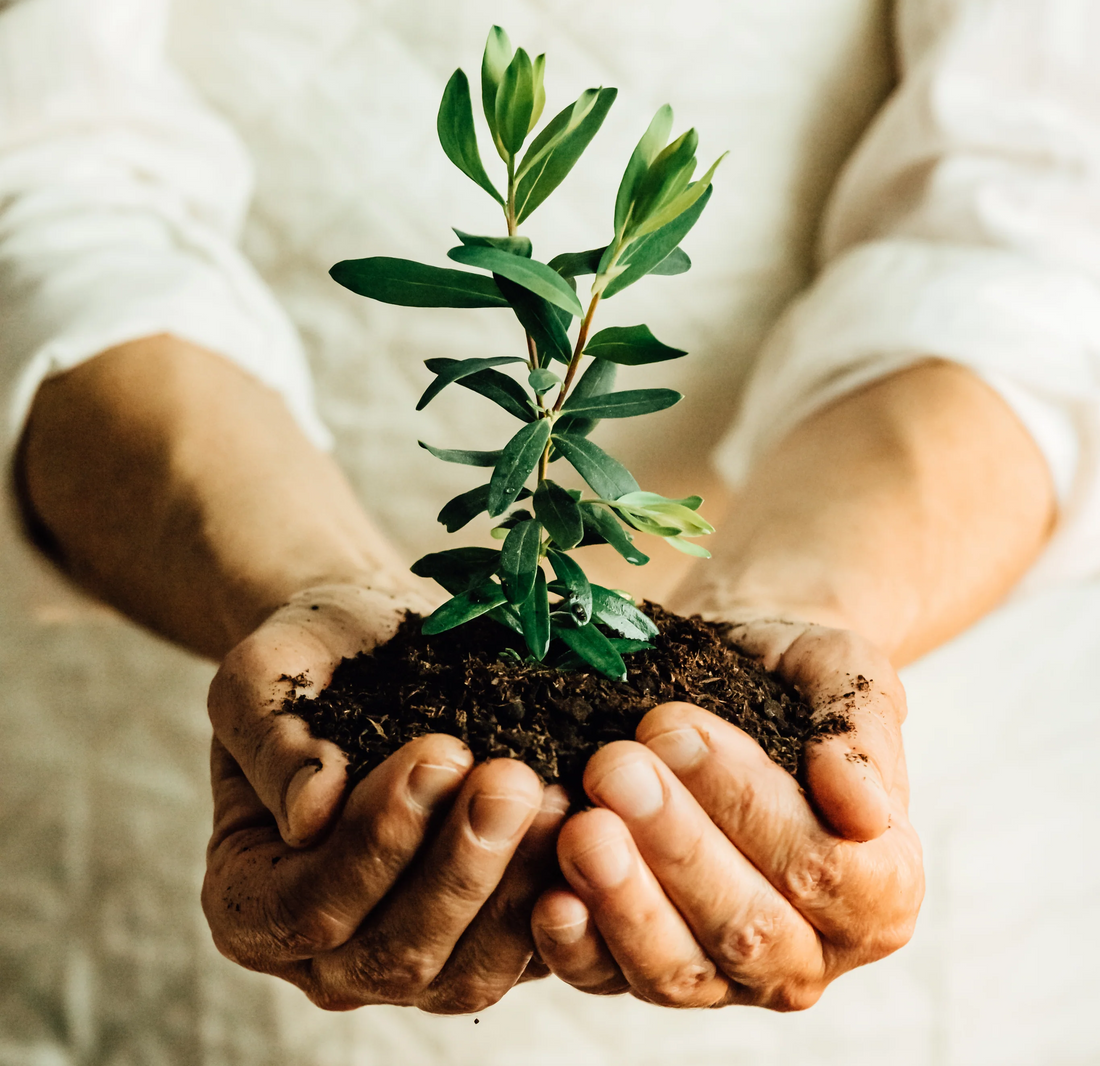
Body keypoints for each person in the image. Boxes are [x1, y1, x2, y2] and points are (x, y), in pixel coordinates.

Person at [2, 0, 1098, 1060]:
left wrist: (808, 598)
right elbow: (43, 169)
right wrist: (304, 582)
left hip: (937, 867)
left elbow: (1039, 225)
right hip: (136, 768)